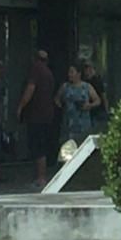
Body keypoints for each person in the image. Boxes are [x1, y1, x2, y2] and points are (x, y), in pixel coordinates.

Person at [16, 47, 55, 188]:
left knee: (37, 146)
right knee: (42, 144)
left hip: (36, 115)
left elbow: (30, 89)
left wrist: (21, 106)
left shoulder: (36, 70)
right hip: (47, 115)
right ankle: (41, 176)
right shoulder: (49, 73)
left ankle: (40, 178)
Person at [55, 64, 100, 146]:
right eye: (69, 72)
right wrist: (61, 107)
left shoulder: (87, 87)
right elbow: (57, 99)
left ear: (79, 74)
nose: (69, 75)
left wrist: (89, 105)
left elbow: (97, 101)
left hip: (83, 124)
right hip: (68, 124)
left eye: (72, 72)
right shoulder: (65, 87)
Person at [80, 59, 109, 130]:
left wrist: (106, 109)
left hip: (99, 110)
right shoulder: (83, 81)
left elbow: (103, 96)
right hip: (88, 112)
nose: (86, 70)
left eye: (88, 67)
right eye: (85, 68)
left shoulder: (97, 80)